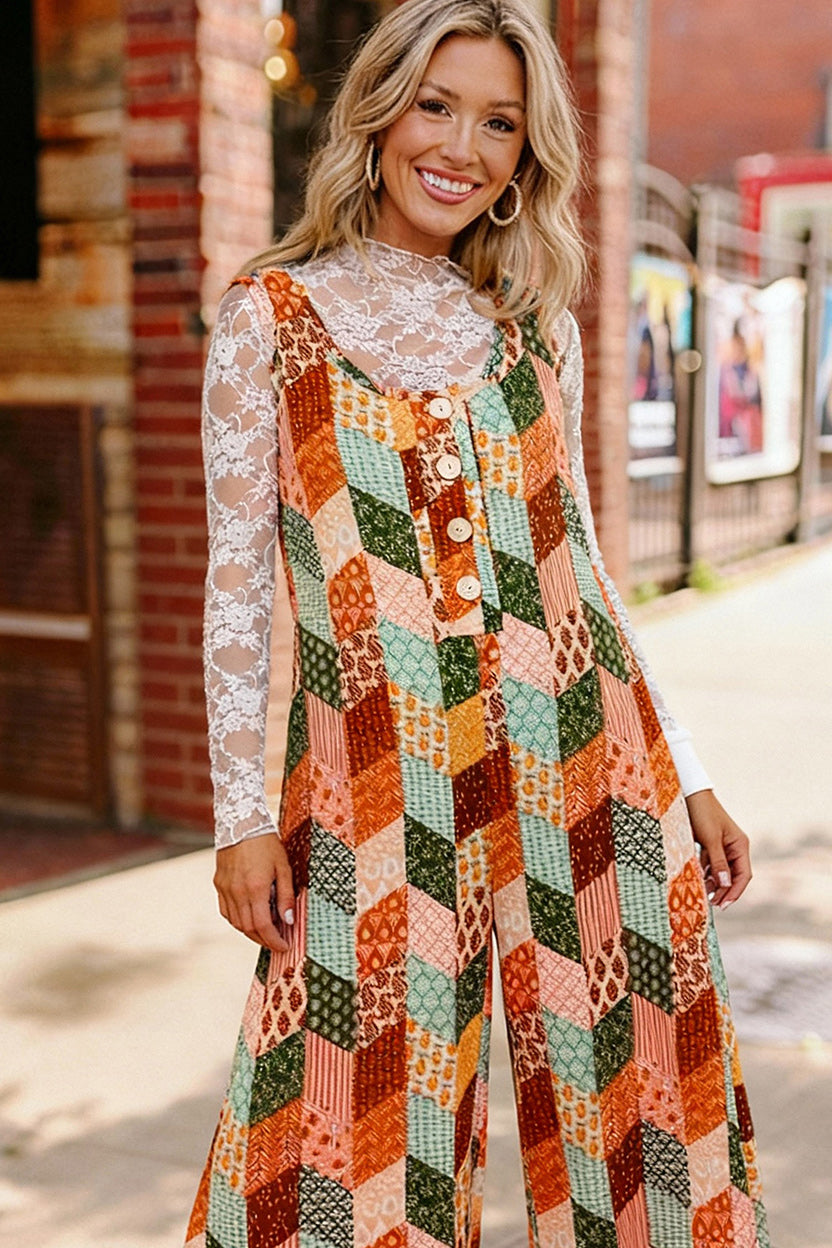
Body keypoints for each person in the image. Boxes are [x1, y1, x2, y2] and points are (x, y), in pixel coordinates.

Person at [186, 2, 770, 1245]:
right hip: (372, 783)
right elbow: (236, 589)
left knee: (647, 1136)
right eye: (436, 106)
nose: (461, 147)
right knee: (342, 1161)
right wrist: (241, 817)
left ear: (523, 156)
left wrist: (689, 775)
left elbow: (585, 572)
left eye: (499, 123)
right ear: (377, 113)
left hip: (583, 766)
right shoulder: (270, 321)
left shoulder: (535, 330)